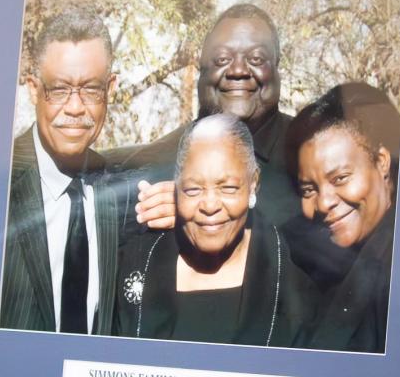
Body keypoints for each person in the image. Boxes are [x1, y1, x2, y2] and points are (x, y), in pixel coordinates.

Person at [114, 114, 317, 346]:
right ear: (176, 187)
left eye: (228, 188)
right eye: (193, 190)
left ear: (253, 185)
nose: (210, 206)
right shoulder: (132, 266)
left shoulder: (294, 288)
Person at [113, 3, 299, 230]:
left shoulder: (313, 156)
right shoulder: (150, 168)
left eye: (256, 59)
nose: (238, 70)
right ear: (201, 71)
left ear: (277, 69)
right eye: (222, 60)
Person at [0, 7, 120, 335]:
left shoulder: (120, 194)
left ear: (111, 88)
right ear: (33, 90)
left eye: (91, 89)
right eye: (59, 89)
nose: (76, 107)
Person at [284, 83, 400, 353]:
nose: (324, 203)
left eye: (340, 178)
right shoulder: (308, 258)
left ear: (382, 162)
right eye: (308, 189)